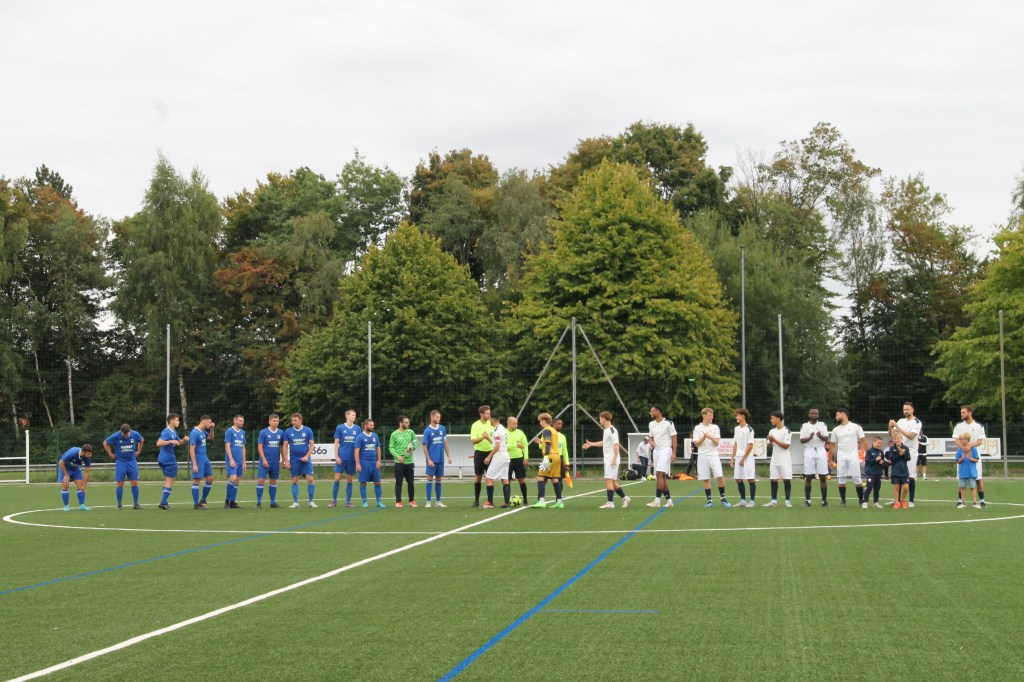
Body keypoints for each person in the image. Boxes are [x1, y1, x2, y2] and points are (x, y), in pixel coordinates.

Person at [583, 411, 630, 509]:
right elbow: (604, 443)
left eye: (600, 418)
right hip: (608, 459)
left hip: (611, 459)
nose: (599, 420)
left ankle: (610, 503)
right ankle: (625, 498)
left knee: (608, 479)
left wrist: (614, 459)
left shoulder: (612, 430)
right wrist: (591, 444)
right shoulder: (606, 430)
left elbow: (616, 445)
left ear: (604, 418)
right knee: (612, 481)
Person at [693, 407, 731, 508]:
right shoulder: (697, 428)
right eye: (710, 415)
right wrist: (704, 437)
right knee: (706, 478)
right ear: (704, 415)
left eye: (712, 415)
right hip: (702, 455)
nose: (712, 417)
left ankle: (723, 498)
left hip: (714, 455)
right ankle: (709, 500)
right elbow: (696, 444)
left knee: (720, 476)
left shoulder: (715, 427)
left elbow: (717, 443)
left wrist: (710, 437)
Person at [829, 408, 866, 507]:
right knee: (841, 480)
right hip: (841, 458)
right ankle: (843, 501)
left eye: (837, 415)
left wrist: (866, 455)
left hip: (853, 457)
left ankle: (861, 500)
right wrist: (830, 460)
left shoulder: (856, 427)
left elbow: (863, 441)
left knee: (857, 479)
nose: (836, 417)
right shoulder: (835, 430)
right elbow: (832, 445)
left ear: (843, 414)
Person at [953, 405, 987, 507]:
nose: (961, 414)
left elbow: (980, 441)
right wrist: (963, 448)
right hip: (963, 454)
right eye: (961, 412)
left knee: (978, 478)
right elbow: (956, 439)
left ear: (970, 413)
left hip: (974, 454)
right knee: (961, 478)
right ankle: (960, 500)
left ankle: (982, 501)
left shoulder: (979, 426)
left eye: (963, 412)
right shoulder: (958, 426)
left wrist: (970, 446)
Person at [103, 423, 144, 509]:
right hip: (121, 462)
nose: (125, 436)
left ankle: (136, 504)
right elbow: (105, 443)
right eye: (123, 435)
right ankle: (119, 505)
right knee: (120, 483)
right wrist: (110, 454)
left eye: (127, 434)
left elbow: (141, 440)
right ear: (121, 432)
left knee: (134, 482)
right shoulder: (116, 436)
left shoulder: (135, 434)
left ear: (129, 431)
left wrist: (139, 451)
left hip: (132, 461)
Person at [889, 401, 922, 508]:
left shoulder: (916, 422)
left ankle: (911, 500)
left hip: (911, 451)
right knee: (898, 475)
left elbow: (911, 436)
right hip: (899, 450)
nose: (905, 411)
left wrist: (897, 426)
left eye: (907, 409)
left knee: (910, 476)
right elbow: (893, 435)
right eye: (904, 409)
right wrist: (890, 427)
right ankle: (897, 500)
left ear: (912, 410)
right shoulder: (901, 421)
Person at [646, 405, 677, 508]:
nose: (650, 413)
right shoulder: (651, 424)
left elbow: (674, 438)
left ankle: (657, 501)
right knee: (661, 476)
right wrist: (651, 442)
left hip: (666, 450)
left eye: (652, 411)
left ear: (658, 411)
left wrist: (674, 453)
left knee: (659, 474)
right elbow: (651, 437)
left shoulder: (668, 423)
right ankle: (669, 501)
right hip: (656, 451)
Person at [283, 413, 317, 508]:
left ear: (300, 420)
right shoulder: (288, 431)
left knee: (310, 479)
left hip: (306, 458)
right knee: (294, 481)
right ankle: (296, 502)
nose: (293, 422)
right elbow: (285, 446)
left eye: (295, 420)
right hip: (294, 459)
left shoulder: (308, 430)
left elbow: (312, 445)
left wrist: (307, 456)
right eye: (292, 420)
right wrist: (286, 461)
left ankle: (311, 501)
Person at [531, 412, 564, 509]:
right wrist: (541, 442)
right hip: (557, 455)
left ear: (543, 420)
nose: (540, 423)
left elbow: (548, 444)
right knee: (554, 479)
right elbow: (551, 443)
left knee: (540, 478)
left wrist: (546, 457)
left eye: (540, 421)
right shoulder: (554, 430)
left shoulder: (546, 430)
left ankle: (541, 501)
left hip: (550, 456)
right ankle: (559, 502)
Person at [157, 413, 189, 510]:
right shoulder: (167, 432)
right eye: (177, 420)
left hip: (165, 459)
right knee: (170, 481)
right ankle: (163, 503)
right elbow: (159, 443)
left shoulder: (173, 431)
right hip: (168, 459)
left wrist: (184, 440)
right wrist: (170, 441)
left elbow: (178, 443)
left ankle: (164, 501)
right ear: (171, 421)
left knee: (168, 480)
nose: (178, 422)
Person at [800, 408, 830, 507]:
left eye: (816, 413)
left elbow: (826, 438)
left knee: (823, 476)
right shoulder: (804, 425)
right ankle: (807, 500)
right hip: (809, 450)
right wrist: (810, 437)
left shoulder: (822, 425)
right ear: (809, 414)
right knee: (808, 476)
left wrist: (820, 436)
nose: (814, 415)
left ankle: (824, 501)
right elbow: (802, 440)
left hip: (821, 449)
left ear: (818, 415)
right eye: (812, 413)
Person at [421, 410, 452, 508]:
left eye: (439, 417)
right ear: (432, 417)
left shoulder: (442, 429)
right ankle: (428, 502)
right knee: (429, 478)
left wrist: (449, 456)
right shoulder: (427, 431)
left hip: (440, 459)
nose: (439, 418)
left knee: (439, 479)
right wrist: (429, 459)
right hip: (432, 460)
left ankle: (438, 501)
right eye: (437, 417)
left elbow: (445, 443)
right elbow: (424, 446)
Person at [330, 409, 360, 508]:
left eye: (355, 415)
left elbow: (359, 445)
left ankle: (348, 502)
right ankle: (334, 501)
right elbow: (336, 443)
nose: (354, 417)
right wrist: (336, 456)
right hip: (342, 458)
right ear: (347, 416)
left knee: (349, 480)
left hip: (352, 459)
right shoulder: (340, 427)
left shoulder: (357, 428)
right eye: (352, 415)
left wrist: (358, 459)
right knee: (337, 478)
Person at [482, 412, 512, 509]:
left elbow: (497, 446)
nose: (489, 421)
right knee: (505, 479)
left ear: (493, 419)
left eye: (490, 419)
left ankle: (490, 502)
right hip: (506, 456)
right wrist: (488, 438)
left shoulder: (497, 430)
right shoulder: (502, 429)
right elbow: (496, 443)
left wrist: (489, 456)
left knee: (488, 478)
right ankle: (506, 502)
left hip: (499, 457)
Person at [355, 418, 385, 508]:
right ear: (365, 426)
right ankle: (364, 502)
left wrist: (379, 460)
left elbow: (378, 449)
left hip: (374, 462)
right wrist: (357, 464)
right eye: (371, 425)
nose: (372, 427)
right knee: (363, 482)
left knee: (377, 482)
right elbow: (356, 451)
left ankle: (379, 501)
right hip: (364, 462)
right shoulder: (360, 437)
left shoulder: (375, 435)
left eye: (373, 425)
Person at [389, 415, 418, 508]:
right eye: (406, 422)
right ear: (400, 423)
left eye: (408, 422)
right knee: (399, 482)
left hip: (410, 462)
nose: (408, 424)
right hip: (399, 463)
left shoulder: (411, 432)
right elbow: (391, 447)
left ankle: (412, 500)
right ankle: (398, 502)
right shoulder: (394, 434)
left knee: (411, 482)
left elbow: (416, 442)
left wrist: (412, 447)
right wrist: (398, 457)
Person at [730, 408, 756, 508]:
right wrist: (732, 458)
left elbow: (750, 445)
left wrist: (743, 459)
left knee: (750, 479)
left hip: (747, 458)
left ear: (743, 416)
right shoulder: (736, 429)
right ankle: (743, 500)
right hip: (738, 457)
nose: (736, 417)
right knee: (738, 479)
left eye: (737, 415)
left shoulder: (749, 429)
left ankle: (752, 501)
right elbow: (735, 444)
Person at [766, 412, 793, 507]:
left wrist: (774, 440)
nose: (771, 420)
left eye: (772, 418)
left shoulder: (787, 431)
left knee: (786, 480)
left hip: (784, 460)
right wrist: (770, 441)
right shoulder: (771, 431)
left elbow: (786, 446)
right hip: (774, 459)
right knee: (773, 480)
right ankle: (774, 501)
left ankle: (787, 501)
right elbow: (769, 445)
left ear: (778, 419)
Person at [256, 414, 283, 508]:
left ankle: (273, 502)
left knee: (273, 481)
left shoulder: (281, 432)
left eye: (277, 421)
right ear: (269, 421)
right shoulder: (263, 432)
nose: (276, 423)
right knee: (261, 480)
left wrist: (283, 460)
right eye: (274, 421)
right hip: (265, 461)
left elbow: (282, 447)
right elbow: (260, 447)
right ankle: (258, 502)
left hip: (275, 462)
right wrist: (264, 459)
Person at [189, 416, 216, 509]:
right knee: (197, 479)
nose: (211, 424)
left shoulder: (203, 431)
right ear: (204, 421)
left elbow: (211, 438)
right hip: (198, 459)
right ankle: (196, 504)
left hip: (205, 458)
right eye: (209, 422)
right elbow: (191, 449)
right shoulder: (194, 432)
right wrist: (194, 464)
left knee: (210, 478)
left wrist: (212, 429)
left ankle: (203, 500)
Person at [469, 405, 493, 507]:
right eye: (487, 413)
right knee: (478, 477)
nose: (489, 415)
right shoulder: (475, 425)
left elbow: (495, 440)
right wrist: (483, 437)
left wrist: (488, 438)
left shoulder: (492, 424)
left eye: (489, 413)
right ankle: (476, 501)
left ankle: (490, 501)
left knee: (489, 477)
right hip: (479, 453)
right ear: (481, 414)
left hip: (490, 453)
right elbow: (473, 441)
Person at [58, 444, 94, 511]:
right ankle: (66, 506)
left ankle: (82, 505)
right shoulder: (72, 453)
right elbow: (61, 463)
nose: (90, 456)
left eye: (91, 454)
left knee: (81, 486)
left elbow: (87, 472)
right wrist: (66, 475)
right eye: (88, 454)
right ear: (83, 452)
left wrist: (84, 485)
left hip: (75, 469)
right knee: (65, 485)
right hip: (65, 468)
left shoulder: (88, 458)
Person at [223, 414, 246, 509]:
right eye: (240, 421)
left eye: (243, 421)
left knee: (237, 481)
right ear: (235, 421)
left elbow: (243, 447)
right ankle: (227, 501)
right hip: (231, 460)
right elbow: (227, 446)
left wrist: (244, 461)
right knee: (232, 478)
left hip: (239, 461)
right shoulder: (229, 431)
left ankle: (233, 502)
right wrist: (231, 459)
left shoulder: (242, 432)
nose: (242, 422)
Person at [506, 416, 529, 505]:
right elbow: (504, 446)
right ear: (509, 423)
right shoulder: (504, 433)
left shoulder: (520, 432)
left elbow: (525, 445)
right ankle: (507, 501)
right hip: (507, 459)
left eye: (517, 423)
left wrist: (526, 457)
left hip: (519, 459)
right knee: (507, 480)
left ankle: (525, 500)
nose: (516, 425)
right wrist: (515, 445)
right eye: (514, 423)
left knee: (521, 479)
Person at [954, 432, 981, 509]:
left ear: (967, 440)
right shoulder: (960, 450)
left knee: (972, 487)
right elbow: (958, 461)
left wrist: (970, 458)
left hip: (971, 472)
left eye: (962, 439)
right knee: (962, 487)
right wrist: (961, 458)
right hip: (963, 472)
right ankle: (963, 503)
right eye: (960, 439)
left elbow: (976, 460)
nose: (961, 441)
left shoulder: (974, 449)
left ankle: (974, 503)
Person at [887, 433, 912, 509]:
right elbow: (891, 459)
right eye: (895, 439)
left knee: (906, 487)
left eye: (898, 438)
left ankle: (903, 500)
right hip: (895, 471)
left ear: (901, 439)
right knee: (896, 488)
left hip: (904, 471)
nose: (897, 440)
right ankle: (896, 502)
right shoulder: (892, 448)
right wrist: (899, 454)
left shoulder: (905, 448)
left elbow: (908, 458)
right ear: (893, 440)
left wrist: (904, 454)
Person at [863, 437, 887, 508]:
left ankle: (876, 502)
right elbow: (867, 461)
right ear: (873, 442)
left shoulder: (881, 452)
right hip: (871, 473)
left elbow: (882, 461)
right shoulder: (869, 451)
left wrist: (882, 462)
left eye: (881, 443)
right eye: (878, 443)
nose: (879, 444)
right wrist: (875, 459)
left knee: (877, 488)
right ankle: (865, 502)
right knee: (869, 487)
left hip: (878, 473)